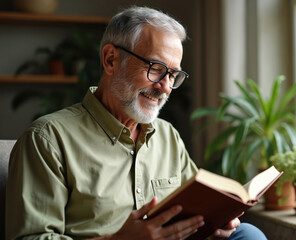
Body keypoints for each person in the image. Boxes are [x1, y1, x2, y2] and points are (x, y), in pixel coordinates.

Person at [5, 6, 267, 240]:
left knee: (248, 234)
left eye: (173, 74)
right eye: (155, 68)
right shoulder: (48, 139)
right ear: (111, 60)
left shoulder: (168, 136)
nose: (165, 86)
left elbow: (194, 210)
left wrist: (214, 224)